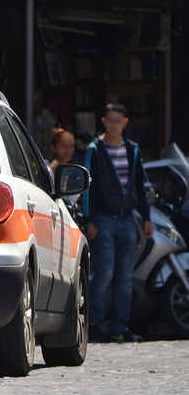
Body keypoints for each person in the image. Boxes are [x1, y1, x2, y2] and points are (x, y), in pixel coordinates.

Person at [83, 103, 153, 342]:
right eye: (109, 120)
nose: (113, 124)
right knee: (103, 273)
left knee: (124, 276)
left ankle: (118, 327)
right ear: (104, 121)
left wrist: (146, 218)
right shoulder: (96, 149)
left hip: (127, 221)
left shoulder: (132, 150)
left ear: (124, 122)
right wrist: (89, 220)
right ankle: (92, 323)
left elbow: (140, 188)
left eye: (118, 120)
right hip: (104, 220)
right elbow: (88, 188)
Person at [46, 127, 78, 203]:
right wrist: (50, 169)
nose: (68, 150)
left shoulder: (75, 171)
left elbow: (73, 199)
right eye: (63, 146)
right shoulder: (45, 165)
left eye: (71, 146)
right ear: (53, 147)